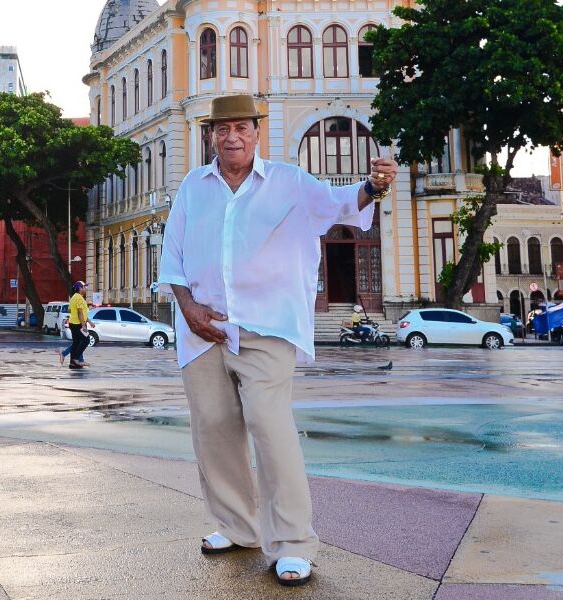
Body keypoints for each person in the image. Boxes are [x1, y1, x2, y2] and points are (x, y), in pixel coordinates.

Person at [157, 94, 396, 587]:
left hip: (266, 327)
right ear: (210, 136)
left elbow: (339, 205)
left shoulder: (289, 182)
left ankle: (292, 543)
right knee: (214, 429)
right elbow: (173, 257)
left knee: (271, 427)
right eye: (222, 129)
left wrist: (373, 185)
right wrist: (188, 309)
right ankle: (237, 526)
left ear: (256, 133)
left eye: (241, 127)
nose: (232, 137)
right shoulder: (193, 187)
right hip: (202, 330)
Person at [66, 281, 95, 369]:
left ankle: (73, 363)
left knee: (76, 342)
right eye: (84, 287)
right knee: (86, 340)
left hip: (73, 323)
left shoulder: (74, 297)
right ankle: (76, 359)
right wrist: (83, 325)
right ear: (79, 288)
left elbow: (70, 310)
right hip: (77, 324)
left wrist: (89, 322)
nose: (85, 289)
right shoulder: (78, 298)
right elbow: (80, 313)